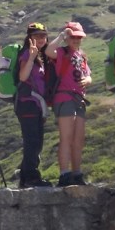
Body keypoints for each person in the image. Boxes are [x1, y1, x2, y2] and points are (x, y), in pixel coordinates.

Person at [45, 21, 92, 186]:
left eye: (79, 37)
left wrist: (88, 79)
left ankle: (77, 173)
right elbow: (48, 51)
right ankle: (64, 174)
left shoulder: (82, 56)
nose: (76, 40)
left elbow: (89, 75)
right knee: (66, 137)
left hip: (79, 100)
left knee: (78, 139)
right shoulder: (60, 52)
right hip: (64, 98)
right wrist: (61, 35)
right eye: (73, 37)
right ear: (67, 38)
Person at [15, 22, 52, 188]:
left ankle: (25, 177)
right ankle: (31, 177)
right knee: (33, 141)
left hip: (35, 105)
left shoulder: (41, 56)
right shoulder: (27, 54)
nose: (41, 39)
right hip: (27, 103)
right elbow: (23, 77)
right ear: (29, 38)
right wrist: (31, 57)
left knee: (36, 141)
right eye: (36, 36)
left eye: (43, 35)